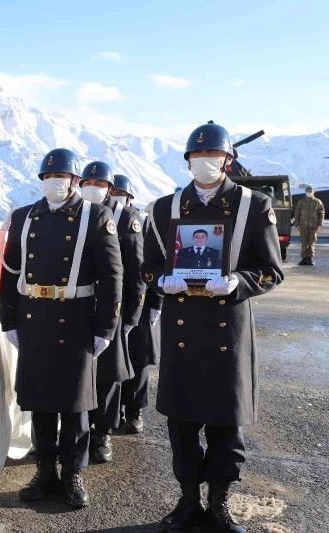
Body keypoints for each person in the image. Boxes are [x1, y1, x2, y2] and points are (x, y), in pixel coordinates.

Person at [144, 123, 284, 532]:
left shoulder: (253, 206)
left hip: (228, 331)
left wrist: (239, 281)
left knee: (226, 423)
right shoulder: (162, 209)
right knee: (182, 423)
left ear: (227, 160)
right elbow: (147, 266)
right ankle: (188, 501)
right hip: (182, 329)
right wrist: (160, 281)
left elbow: (273, 270)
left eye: (213, 156)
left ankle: (220, 503)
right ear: (187, 161)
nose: (205, 163)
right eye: (197, 157)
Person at [0, 148, 123, 508]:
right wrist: (9, 319)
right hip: (34, 318)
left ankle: (73, 475)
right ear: (42, 180)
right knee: (39, 403)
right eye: (49, 177)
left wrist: (107, 327)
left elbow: (113, 276)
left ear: (74, 181)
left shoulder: (95, 216)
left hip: (77, 319)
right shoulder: (23, 217)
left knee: (73, 406)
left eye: (63, 177)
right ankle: (45, 472)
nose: (55, 182)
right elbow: (10, 273)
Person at [78, 163, 140, 464]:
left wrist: (132, 316)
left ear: (108, 186)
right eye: (86, 181)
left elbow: (135, 271)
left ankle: (102, 432)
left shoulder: (124, 216)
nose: (92, 187)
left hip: (111, 307)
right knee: (79, 372)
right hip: (76, 306)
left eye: (98, 182)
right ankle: (81, 428)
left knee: (108, 376)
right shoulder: (73, 212)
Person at [113, 176, 161, 433]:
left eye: (122, 192)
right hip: (119, 300)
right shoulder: (105, 218)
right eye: (114, 191)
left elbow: (153, 262)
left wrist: (156, 302)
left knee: (139, 359)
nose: (118, 195)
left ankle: (135, 410)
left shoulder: (143, 221)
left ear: (130, 197)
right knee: (117, 360)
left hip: (143, 299)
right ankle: (117, 409)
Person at [293, 185, 324, 265]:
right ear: (305, 192)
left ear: (313, 192)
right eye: (307, 191)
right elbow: (297, 214)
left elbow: (321, 213)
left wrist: (320, 224)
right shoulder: (301, 202)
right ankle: (304, 258)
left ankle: (309, 258)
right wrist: (297, 224)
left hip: (313, 226)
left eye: (310, 191)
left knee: (312, 242)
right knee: (304, 242)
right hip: (303, 226)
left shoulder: (317, 202)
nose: (309, 193)